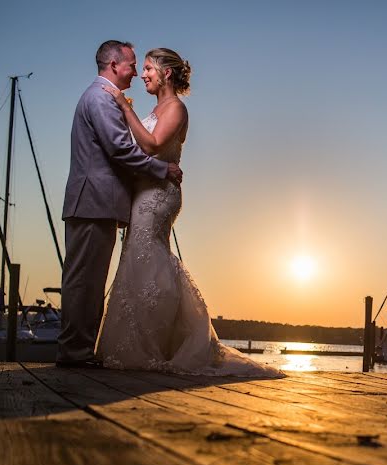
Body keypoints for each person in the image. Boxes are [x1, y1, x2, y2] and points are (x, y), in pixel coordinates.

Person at [95, 47, 283, 378]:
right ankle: (144, 344)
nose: (143, 74)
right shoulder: (155, 108)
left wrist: (124, 109)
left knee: (149, 259)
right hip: (144, 192)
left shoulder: (176, 109)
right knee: (138, 261)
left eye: (149, 68)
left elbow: (153, 145)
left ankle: (166, 344)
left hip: (158, 196)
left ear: (167, 73)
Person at [57, 40, 183, 368]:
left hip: (99, 202)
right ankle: (75, 352)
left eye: (144, 67)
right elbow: (120, 149)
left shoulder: (106, 98)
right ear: (114, 65)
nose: (136, 73)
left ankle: (81, 351)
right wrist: (163, 169)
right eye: (131, 64)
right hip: (93, 201)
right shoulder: (101, 99)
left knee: (89, 279)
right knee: (84, 280)